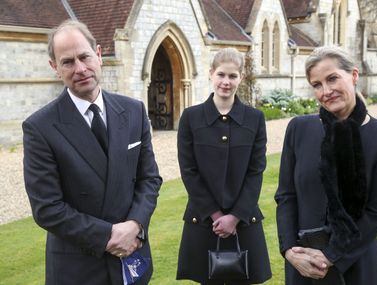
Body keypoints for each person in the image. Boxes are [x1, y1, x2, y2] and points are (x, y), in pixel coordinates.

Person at [22, 19, 162, 285]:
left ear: (98, 55)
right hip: (79, 268)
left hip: (132, 257)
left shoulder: (133, 111)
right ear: (54, 67)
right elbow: (47, 208)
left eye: (85, 56)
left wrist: (135, 226)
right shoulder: (40, 127)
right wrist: (108, 236)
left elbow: (149, 179)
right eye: (68, 62)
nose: (80, 68)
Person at [275, 46, 377, 285]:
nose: (326, 91)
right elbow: (286, 195)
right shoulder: (299, 129)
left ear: (354, 76)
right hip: (303, 265)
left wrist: (331, 255)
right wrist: (289, 250)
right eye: (317, 85)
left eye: (332, 78)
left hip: (355, 264)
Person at [176, 48, 272, 285]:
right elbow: (189, 171)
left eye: (232, 76)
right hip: (205, 221)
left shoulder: (255, 118)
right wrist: (217, 215)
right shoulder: (190, 117)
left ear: (241, 77)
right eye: (221, 75)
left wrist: (235, 216)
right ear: (211, 74)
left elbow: (255, 171)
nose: (226, 82)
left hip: (244, 221)